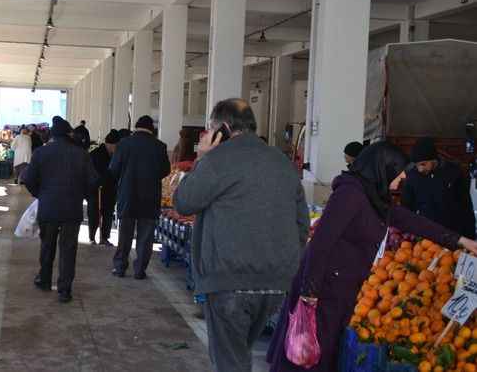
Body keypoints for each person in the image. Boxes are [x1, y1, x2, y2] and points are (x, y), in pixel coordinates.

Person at [267, 142, 477, 372]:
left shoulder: (374, 198)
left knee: (321, 356)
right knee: (307, 356)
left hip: (341, 290)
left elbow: (411, 221)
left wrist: (460, 240)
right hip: (323, 292)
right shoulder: (350, 194)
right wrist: (309, 296)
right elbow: (320, 245)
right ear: (383, 168)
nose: (402, 179)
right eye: (398, 173)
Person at [173, 98, 308, 372]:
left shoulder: (217, 161)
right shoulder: (282, 162)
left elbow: (184, 202)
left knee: (230, 362)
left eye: (211, 129)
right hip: (274, 284)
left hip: (229, 281)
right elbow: (301, 225)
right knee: (239, 353)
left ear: (222, 128)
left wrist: (203, 157)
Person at [24, 116, 98, 303]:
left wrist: (40, 194)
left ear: (52, 135)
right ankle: (65, 290)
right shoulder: (81, 154)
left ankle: (44, 280)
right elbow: (93, 181)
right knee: (68, 249)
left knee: (47, 245)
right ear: (68, 134)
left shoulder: (41, 153)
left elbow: (28, 179)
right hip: (72, 208)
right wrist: (81, 195)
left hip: (48, 206)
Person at [109, 115, 171, 279]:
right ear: (152, 129)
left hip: (127, 195)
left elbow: (114, 169)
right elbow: (166, 170)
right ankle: (140, 270)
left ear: (136, 127)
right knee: (145, 236)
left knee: (125, 234)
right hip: (150, 197)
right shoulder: (159, 146)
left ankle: (120, 267)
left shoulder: (124, 144)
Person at [402, 137, 476, 239]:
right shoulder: (412, 176)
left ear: (434, 159)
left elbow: (466, 207)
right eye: (417, 165)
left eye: (423, 164)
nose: (420, 169)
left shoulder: (453, 173)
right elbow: (406, 207)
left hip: (452, 233)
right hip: (426, 236)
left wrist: (470, 236)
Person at [87, 130, 120, 246]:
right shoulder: (96, 154)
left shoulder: (115, 155)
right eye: (116, 146)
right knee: (94, 214)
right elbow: (92, 172)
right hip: (96, 189)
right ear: (109, 144)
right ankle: (92, 237)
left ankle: (105, 237)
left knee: (108, 214)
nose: (117, 148)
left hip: (110, 189)